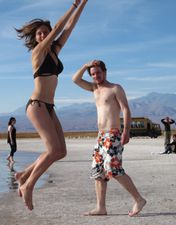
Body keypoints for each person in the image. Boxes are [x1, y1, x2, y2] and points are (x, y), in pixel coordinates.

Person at [14, 0, 88, 210]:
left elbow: (68, 28)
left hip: (49, 107)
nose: (43, 35)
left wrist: (83, 4)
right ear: (35, 37)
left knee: (61, 151)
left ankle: (24, 174)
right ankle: (28, 185)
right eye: (39, 33)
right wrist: (73, 5)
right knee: (53, 149)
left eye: (45, 32)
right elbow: (57, 29)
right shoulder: (37, 53)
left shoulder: (55, 52)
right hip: (36, 105)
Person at [72, 60, 146, 217]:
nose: (96, 76)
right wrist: (85, 66)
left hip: (113, 134)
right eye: (92, 74)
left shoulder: (115, 88)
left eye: (98, 72)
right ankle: (101, 207)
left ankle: (138, 199)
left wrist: (126, 131)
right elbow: (75, 80)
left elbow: (126, 109)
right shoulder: (94, 88)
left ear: (105, 72)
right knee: (98, 172)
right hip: (100, 136)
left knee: (114, 169)